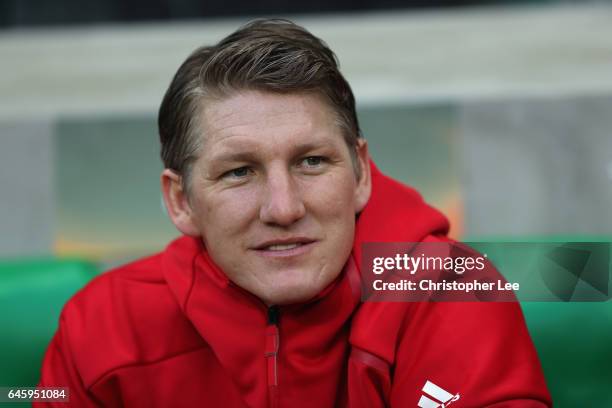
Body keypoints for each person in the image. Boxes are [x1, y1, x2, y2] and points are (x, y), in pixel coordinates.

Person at [37, 19, 551, 407]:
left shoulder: (454, 288)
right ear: (181, 201)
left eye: (311, 161)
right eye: (239, 172)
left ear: (361, 173)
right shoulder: (99, 324)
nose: (283, 208)